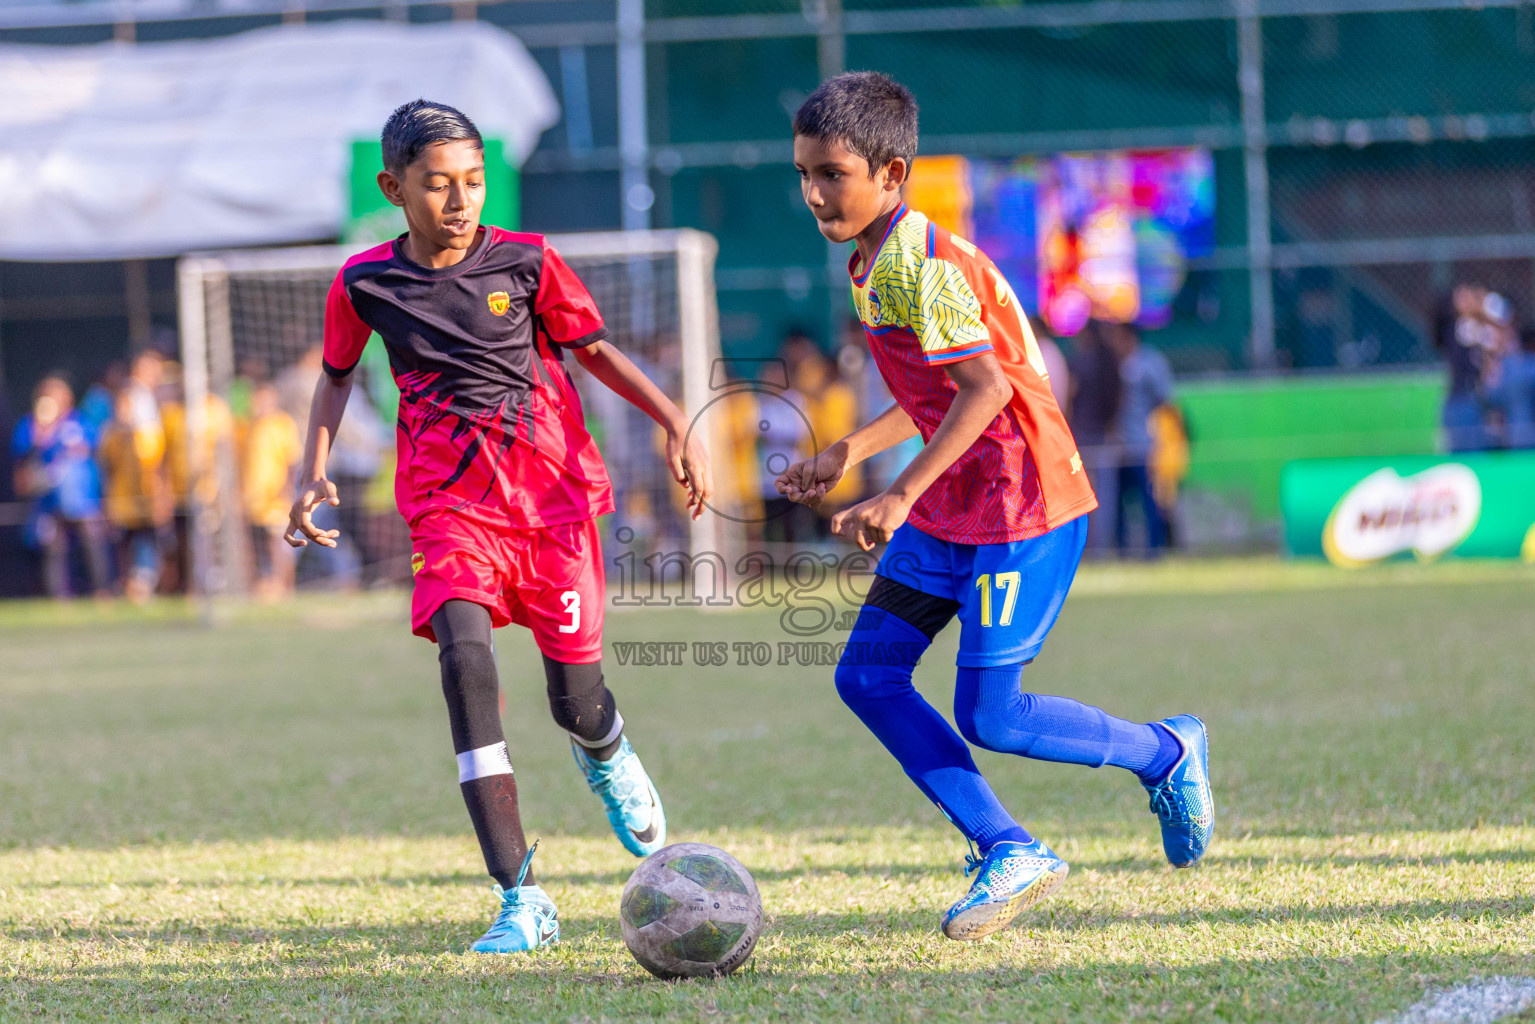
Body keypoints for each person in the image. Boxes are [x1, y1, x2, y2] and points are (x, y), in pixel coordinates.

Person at [778, 72, 1214, 942]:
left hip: (1024, 504)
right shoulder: (875, 257)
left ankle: (1166, 753)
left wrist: (896, 492)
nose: (815, 193)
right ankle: (1006, 848)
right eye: (805, 174)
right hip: (951, 506)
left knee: (992, 715)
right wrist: (848, 453)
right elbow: (934, 394)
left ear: (892, 173)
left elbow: (979, 390)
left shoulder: (924, 265)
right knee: (866, 676)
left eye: (833, 174)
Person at [284, 100, 711, 955]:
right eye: (437, 184)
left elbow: (593, 351)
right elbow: (334, 377)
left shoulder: (528, 262)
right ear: (392, 188)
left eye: (472, 182)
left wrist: (673, 418)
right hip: (448, 506)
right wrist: (311, 467)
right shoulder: (365, 283)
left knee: (574, 702)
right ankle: (521, 898)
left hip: (550, 503)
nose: (459, 200)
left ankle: (607, 749)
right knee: (465, 665)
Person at [11, 375, 110, 598]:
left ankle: (102, 592)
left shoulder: (78, 422)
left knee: (92, 541)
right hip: (48, 500)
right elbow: (22, 454)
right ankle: (60, 596)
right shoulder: (31, 425)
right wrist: (41, 432)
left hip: (82, 499)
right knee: (54, 547)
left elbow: (89, 447)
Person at [1104, 321, 1176, 556]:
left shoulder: (1149, 363)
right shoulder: (1111, 364)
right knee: (1118, 503)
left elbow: (1165, 401)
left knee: (1149, 500)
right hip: (1116, 447)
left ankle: (1154, 550)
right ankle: (1122, 551)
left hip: (1142, 445)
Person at [98, 384, 168, 603]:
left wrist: (161, 501)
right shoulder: (110, 437)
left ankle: (144, 585)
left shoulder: (150, 437)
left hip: (145, 504)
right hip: (121, 504)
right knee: (123, 549)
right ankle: (126, 585)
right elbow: (106, 470)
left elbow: (160, 471)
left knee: (147, 546)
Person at [242, 381, 302, 600]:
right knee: (255, 544)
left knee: (279, 542)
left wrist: (287, 488)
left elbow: (292, 461)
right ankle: (261, 584)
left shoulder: (283, 424)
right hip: (252, 497)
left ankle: (285, 586)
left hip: (275, 497)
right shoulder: (247, 426)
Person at [1066, 321, 1122, 554]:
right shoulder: (1111, 362)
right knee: (1105, 496)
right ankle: (1102, 547)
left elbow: (1070, 396)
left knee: (1081, 496)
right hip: (1104, 434)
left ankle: (1086, 549)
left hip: (1082, 436)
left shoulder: (1080, 363)